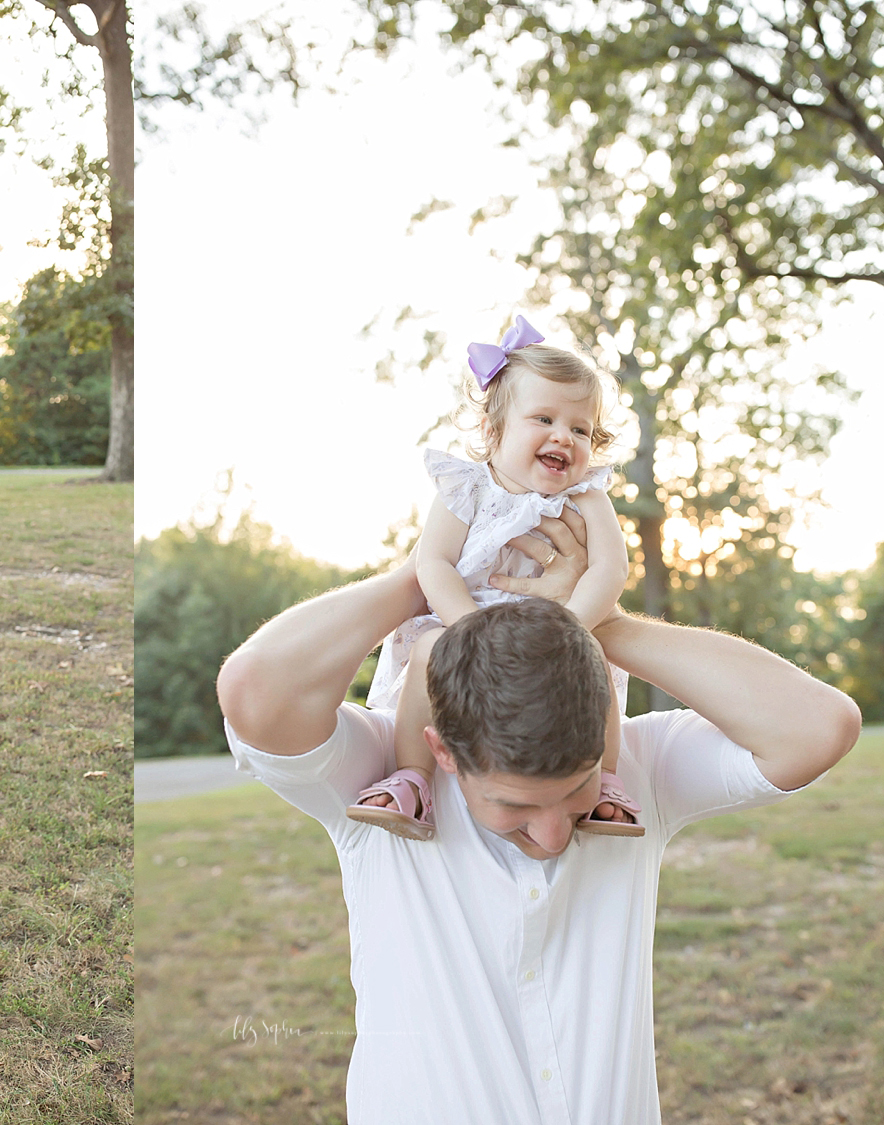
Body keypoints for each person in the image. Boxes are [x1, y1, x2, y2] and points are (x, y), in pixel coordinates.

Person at [215, 512, 860, 1123]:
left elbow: (817, 727)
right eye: (515, 803)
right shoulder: (379, 779)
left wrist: (589, 621)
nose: (554, 836)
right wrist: (434, 576)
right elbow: (256, 689)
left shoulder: (632, 771)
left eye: (578, 791)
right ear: (442, 748)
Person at [348, 316, 637, 839]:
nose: (563, 437)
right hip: (467, 623)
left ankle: (605, 783)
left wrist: (572, 628)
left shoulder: (589, 497)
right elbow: (432, 562)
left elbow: (610, 570)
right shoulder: (466, 488)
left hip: (556, 629)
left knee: (594, 656)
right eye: (544, 418)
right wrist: (465, 627)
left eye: (580, 429)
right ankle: (412, 778)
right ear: (492, 430)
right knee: (427, 651)